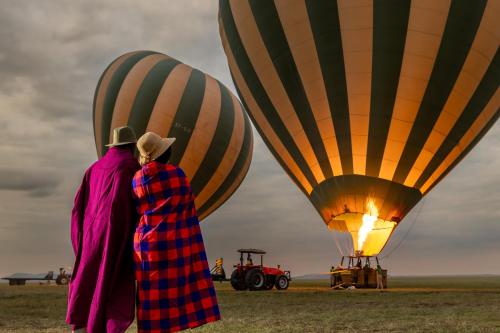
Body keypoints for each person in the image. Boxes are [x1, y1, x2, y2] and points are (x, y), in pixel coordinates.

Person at [133, 132, 220, 333]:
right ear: (165, 153)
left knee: (151, 297)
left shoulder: (136, 179)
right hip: (175, 243)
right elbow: (187, 204)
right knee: (176, 293)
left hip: (146, 248)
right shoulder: (177, 175)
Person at [67, 126, 140, 333]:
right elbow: (137, 205)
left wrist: (79, 241)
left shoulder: (93, 168)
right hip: (117, 237)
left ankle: (81, 325)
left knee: (87, 279)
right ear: (132, 145)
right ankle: (107, 326)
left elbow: (77, 209)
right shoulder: (130, 167)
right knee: (113, 284)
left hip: (90, 237)